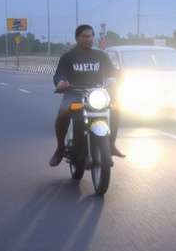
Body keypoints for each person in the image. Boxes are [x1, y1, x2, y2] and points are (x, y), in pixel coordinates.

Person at [49, 24, 125, 167]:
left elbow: (113, 72)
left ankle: (111, 144)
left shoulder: (101, 55)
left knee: (116, 108)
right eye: (84, 36)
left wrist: (116, 79)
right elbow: (59, 75)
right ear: (77, 38)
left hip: (97, 93)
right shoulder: (68, 57)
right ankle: (60, 149)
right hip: (74, 93)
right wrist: (60, 83)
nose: (88, 39)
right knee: (63, 113)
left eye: (90, 36)